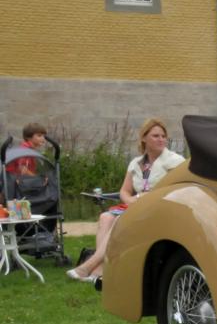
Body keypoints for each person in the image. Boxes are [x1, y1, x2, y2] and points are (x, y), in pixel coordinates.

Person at [68, 118, 185, 283]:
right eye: (155, 136)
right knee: (105, 217)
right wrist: (130, 200)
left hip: (158, 207)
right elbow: (124, 190)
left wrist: (145, 199)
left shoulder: (174, 161)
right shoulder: (136, 163)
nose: (161, 139)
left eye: (163, 136)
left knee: (121, 219)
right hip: (135, 205)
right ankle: (101, 271)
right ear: (144, 138)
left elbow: (176, 189)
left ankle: (90, 266)